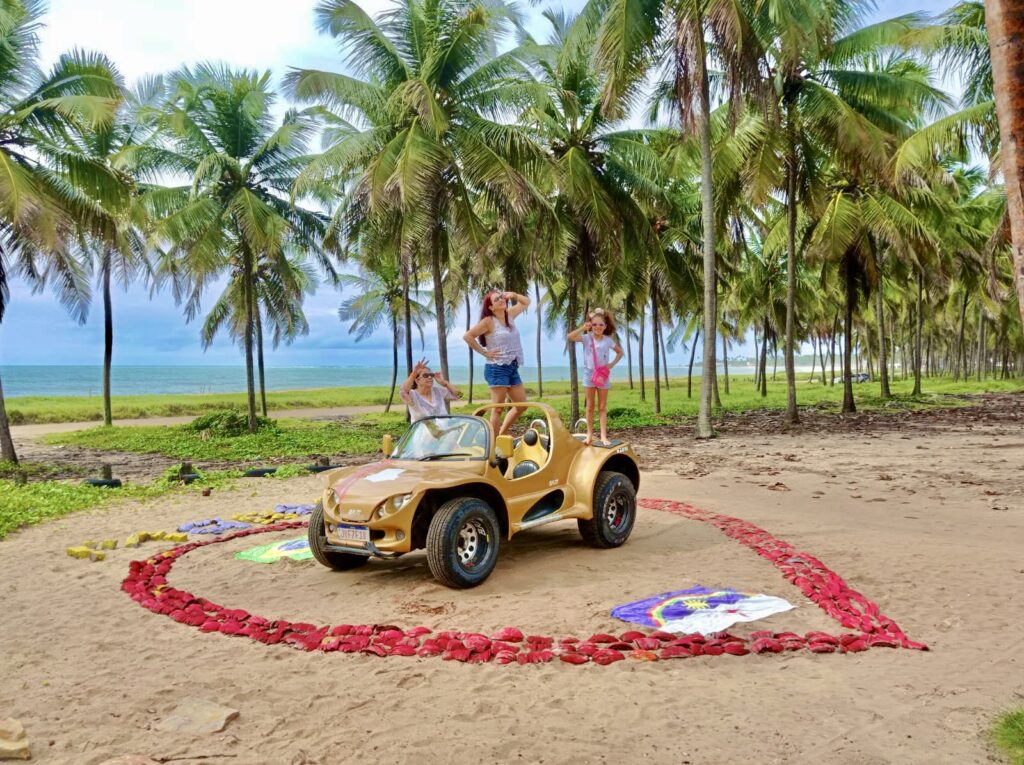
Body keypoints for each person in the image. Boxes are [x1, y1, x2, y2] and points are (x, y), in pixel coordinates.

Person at [463, 289, 530, 436]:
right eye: (496, 300)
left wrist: (514, 295)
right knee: (498, 408)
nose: (501, 300)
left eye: (501, 297)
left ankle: (501, 434)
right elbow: (468, 336)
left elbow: (526, 302)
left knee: (521, 406)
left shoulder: (510, 315)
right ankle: (493, 447)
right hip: (497, 368)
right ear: (491, 308)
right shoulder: (488, 321)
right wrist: (484, 352)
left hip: (512, 366)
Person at [568, 307, 624, 445]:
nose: (598, 327)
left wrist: (610, 365)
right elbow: (570, 337)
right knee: (590, 406)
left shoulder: (608, 340)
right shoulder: (586, 338)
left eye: (600, 324)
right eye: (594, 324)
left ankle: (604, 436)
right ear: (590, 326)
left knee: (602, 407)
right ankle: (589, 435)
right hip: (589, 374)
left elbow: (620, 352)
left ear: (605, 326)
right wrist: (582, 327)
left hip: (603, 375)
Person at [399, 358, 462, 422]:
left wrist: (445, 383)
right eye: (425, 375)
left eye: (431, 375)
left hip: (445, 430)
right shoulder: (412, 395)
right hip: (423, 431)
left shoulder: (438, 391)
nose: (429, 377)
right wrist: (413, 374)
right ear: (417, 381)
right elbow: (404, 391)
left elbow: (459, 395)